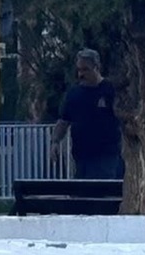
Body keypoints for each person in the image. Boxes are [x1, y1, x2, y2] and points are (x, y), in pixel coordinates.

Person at [51, 49, 121, 181]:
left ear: (97, 67)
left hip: (106, 156)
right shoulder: (74, 94)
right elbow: (64, 121)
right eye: (79, 70)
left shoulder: (110, 90)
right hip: (81, 157)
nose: (81, 74)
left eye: (85, 69)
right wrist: (55, 142)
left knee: (102, 193)